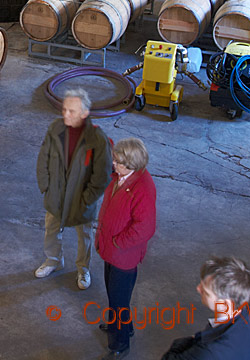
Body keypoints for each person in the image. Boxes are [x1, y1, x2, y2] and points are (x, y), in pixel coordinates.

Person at [35, 89, 112, 290]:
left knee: (84, 236)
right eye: (65, 110)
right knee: (51, 229)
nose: (65, 114)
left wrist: (87, 199)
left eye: (72, 111)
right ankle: (53, 260)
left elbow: (102, 175)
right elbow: (43, 157)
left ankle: (83, 268)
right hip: (56, 196)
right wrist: (46, 187)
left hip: (81, 199)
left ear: (84, 114)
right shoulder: (55, 129)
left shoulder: (97, 139)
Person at [95, 138, 157, 359]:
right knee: (116, 295)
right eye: (114, 159)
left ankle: (119, 345)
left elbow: (145, 228)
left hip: (123, 256)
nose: (114, 164)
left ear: (132, 164)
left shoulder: (143, 188)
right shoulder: (121, 176)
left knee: (118, 301)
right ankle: (124, 328)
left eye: (118, 162)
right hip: (111, 251)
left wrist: (118, 242)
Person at [161, 257, 250, 359]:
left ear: (225, 304)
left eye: (206, 292)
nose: (198, 289)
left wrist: (183, 342)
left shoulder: (209, 353)